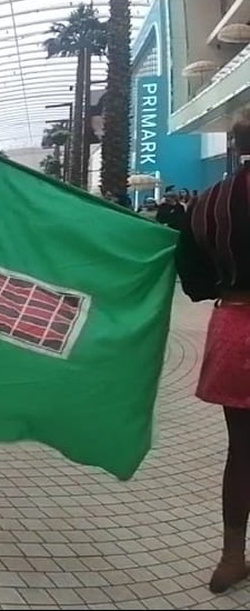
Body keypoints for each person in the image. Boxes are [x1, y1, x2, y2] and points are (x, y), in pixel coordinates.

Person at [176, 115, 250, 594]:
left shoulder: (206, 203)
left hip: (234, 327)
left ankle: (229, 558)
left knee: (241, 451)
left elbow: (196, 285)